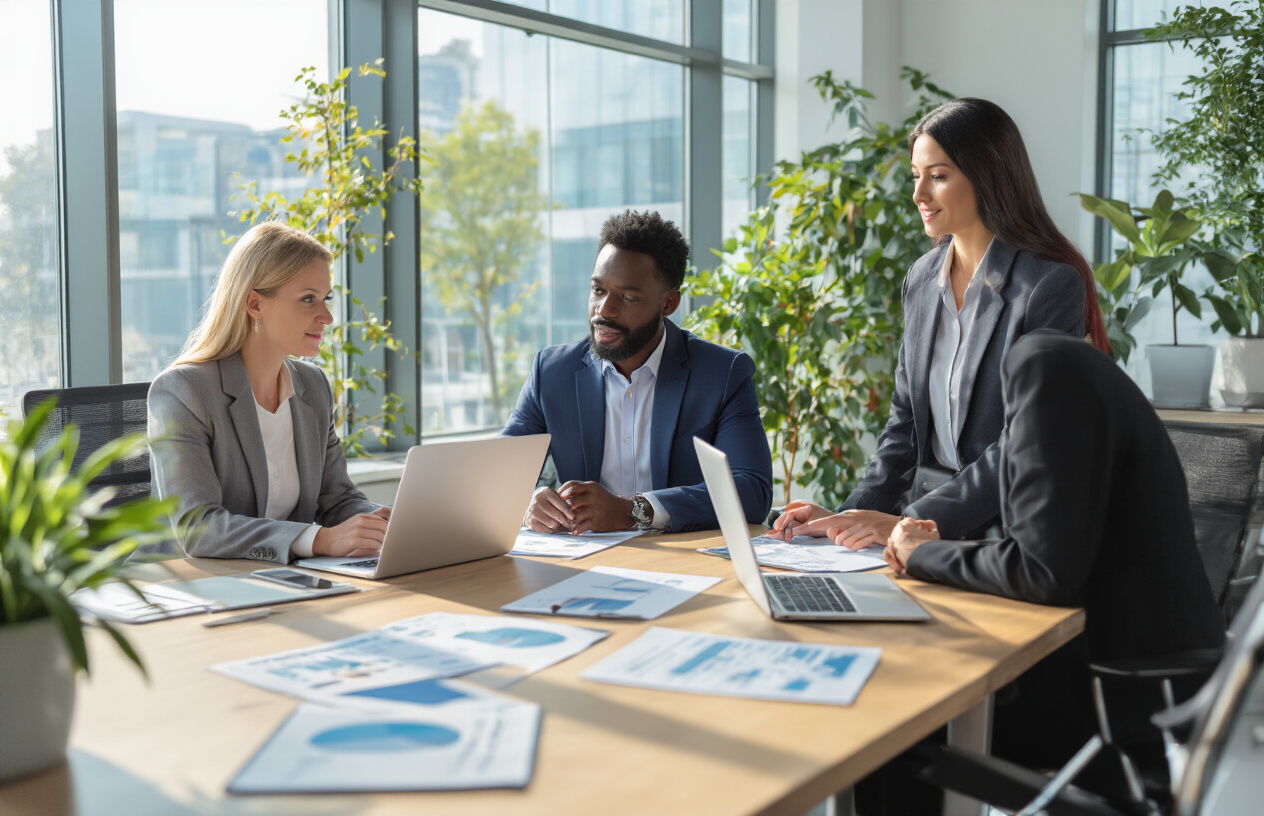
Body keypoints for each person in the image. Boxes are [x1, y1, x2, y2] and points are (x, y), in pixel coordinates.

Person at [772, 97, 1112, 549]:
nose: (919, 195)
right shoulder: (922, 278)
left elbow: (1024, 442)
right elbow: (904, 427)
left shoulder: (1047, 285)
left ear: (988, 176)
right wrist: (845, 519)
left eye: (938, 176)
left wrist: (908, 523)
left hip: (1013, 535)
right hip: (930, 532)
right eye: (916, 177)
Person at [888, 329, 1225, 768]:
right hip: (1157, 682)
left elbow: (1039, 569)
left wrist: (921, 555)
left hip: (1118, 699)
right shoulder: (1074, 368)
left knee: (900, 722)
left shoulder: (1041, 365)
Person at [503, 210, 773, 535]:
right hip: (580, 561)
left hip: (680, 563)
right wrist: (529, 501)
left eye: (627, 297)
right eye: (598, 290)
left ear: (669, 303)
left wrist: (635, 510)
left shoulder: (721, 374)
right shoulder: (552, 372)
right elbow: (497, 478)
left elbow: (752, 491)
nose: (604, 310)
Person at [148, 222, 389, 562]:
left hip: (279, 582)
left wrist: (383, 522)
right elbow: (196, 527)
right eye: (308, 299)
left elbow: (337, 500)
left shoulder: (314, 387)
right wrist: (318, 540)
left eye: (325, 298)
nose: (327, 317)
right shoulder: (184, 391)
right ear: (255, 305)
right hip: (188, 587)